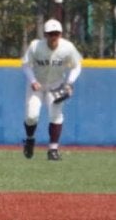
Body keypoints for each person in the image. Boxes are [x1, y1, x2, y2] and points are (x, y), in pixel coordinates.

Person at [21, 18, 83, 161]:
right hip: (37, 84)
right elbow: (25, 65)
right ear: (45, 34)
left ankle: (53, 149)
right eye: (51, 33)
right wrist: (32, 80)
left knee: (56, 115)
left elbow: (77, 66)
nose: (54, 36)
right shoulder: (36, 46)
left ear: (60, 34)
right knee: (31, 116)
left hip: (56, 85)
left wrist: (69, 83)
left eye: (56, 33)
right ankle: (30, 140)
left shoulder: (68, 47)